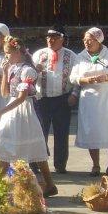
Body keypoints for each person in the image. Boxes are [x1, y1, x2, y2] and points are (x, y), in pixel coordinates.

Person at [0, 36, 58, 197]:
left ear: (17, 52)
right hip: (12, 110)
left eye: (8, 53)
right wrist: (5, 72)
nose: (6, 57)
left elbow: (21, 98)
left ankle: (49, 184)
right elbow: (5, 93)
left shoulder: (28, 70)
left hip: (24, 110)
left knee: (32, 147)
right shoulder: (12, 68)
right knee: (5, 144)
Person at [69, 27, 108, 176]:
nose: (87, 43)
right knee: (92, 130)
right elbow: (73, 77)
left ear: (98, 40)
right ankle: (95, 165)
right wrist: (85, 80)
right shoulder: (80, 57)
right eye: (85, 40)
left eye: (90, 40)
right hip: (89, 99)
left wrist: (106, 77)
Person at [31, 25, 78, 174]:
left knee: (62, 133)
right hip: (41, 99)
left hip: (62, 99)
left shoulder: (71, 56)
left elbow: (77, 77)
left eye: (54, 38)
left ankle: (60, 164)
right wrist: (35, 71)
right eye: (48, 37)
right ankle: (36, 164)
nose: (50, 40)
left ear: (62, 39)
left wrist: (74, 94)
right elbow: (28, 76)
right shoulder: (38, 54)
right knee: (39, 132)